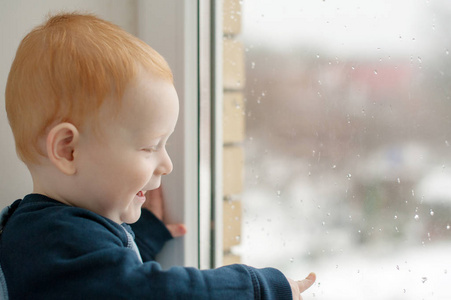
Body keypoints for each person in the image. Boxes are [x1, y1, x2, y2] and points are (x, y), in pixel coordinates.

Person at [0, 12, 316, 299]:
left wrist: (144, 236)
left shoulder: (54, 238)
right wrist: (256, 289)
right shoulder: (50, 240)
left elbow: (107, 282)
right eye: (150, 147)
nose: (167, 164)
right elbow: (144, 292)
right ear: (68, 150)